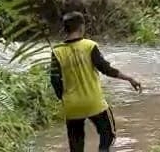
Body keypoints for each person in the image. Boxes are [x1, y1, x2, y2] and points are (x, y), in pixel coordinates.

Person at [50, 12, 141, 152]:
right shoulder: (89, 46)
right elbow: (106, 69)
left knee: (76, 143)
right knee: (108, 134)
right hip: (94, 102)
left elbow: (55, 80)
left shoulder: (57, 52)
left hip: (71, 105)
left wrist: (63, 97)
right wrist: (130, 78)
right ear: (81, 27)